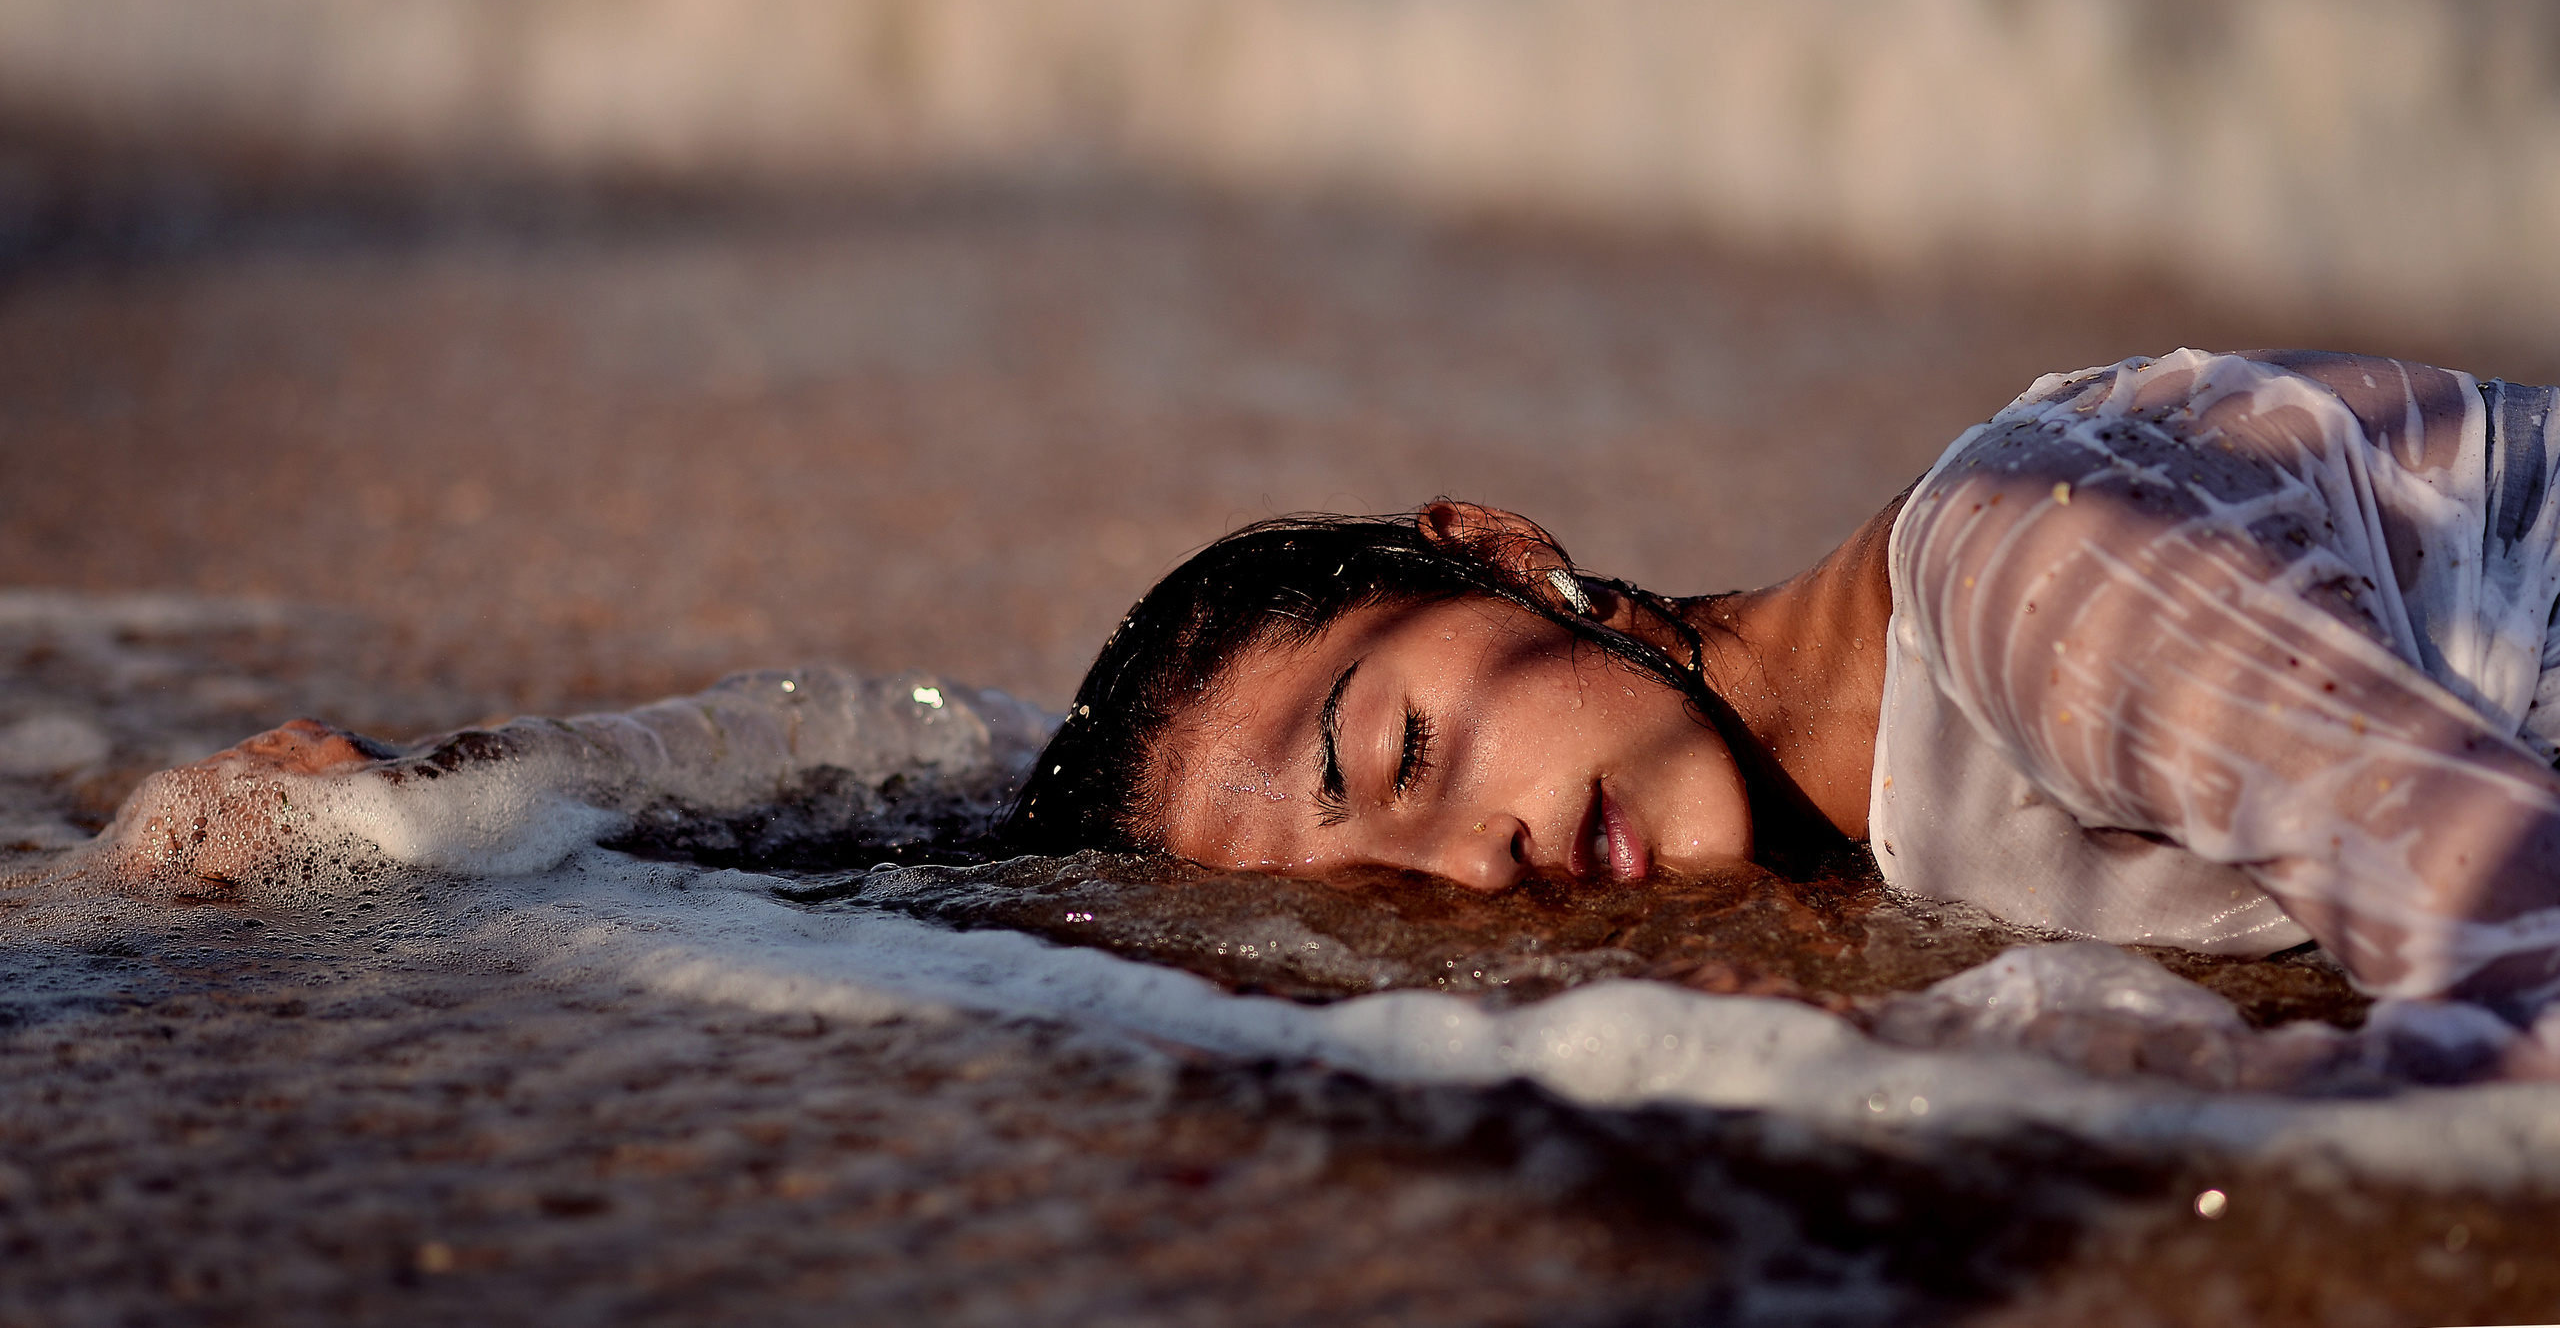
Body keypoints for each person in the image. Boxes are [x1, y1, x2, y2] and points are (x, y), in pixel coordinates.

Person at [997, 349, 2560, 1015]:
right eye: (1375, 903)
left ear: (1503, 555)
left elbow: (2520, 945)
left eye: (1402, 753)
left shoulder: (2021, 568)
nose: (1476, 865)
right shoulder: (1896, 860)